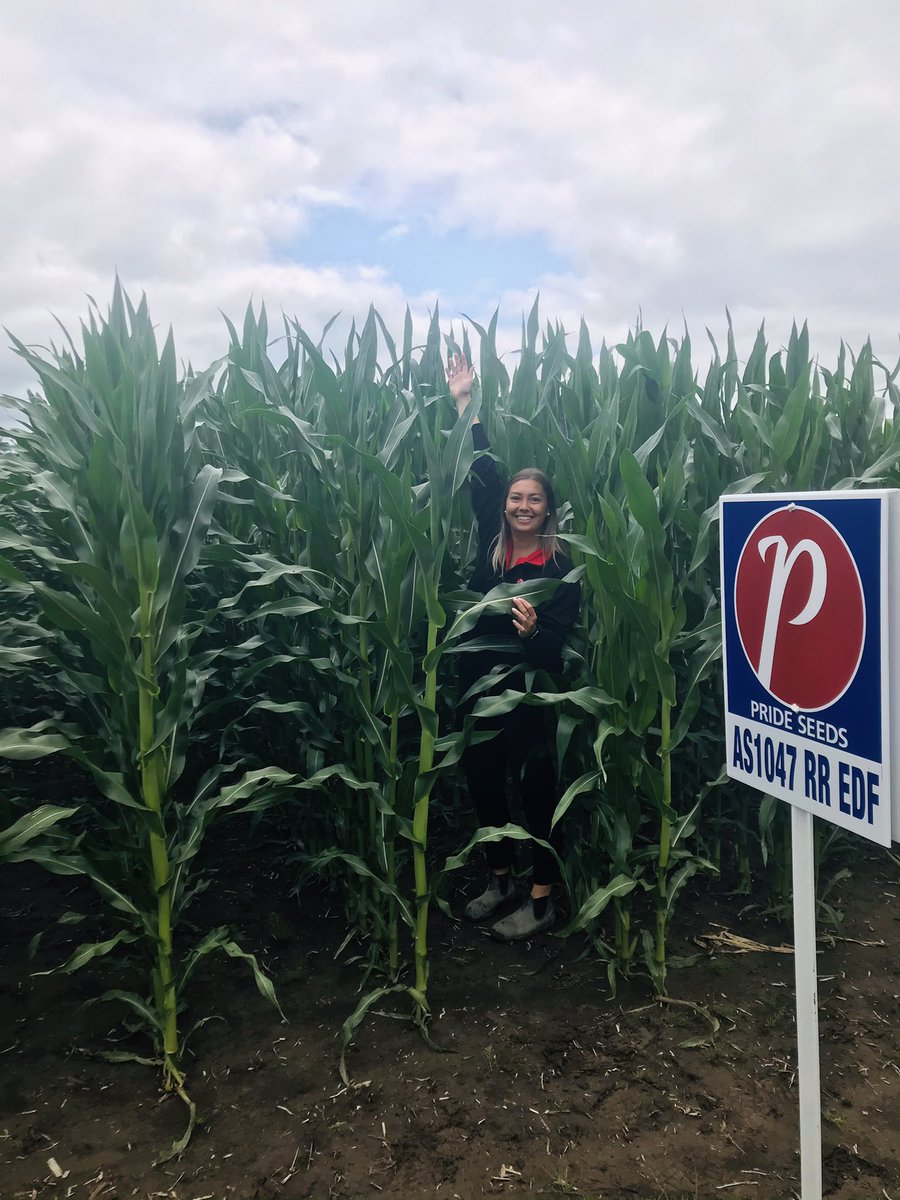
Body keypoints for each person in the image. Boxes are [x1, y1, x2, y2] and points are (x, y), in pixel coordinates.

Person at [447, 351, 581, 940]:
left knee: (536, 794)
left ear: (548, 509)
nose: (522, 506)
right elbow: (481, 467)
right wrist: (465, 404)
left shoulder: (559, 567)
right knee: (482, 784)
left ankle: (541, 896)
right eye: (515, 498)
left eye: (534, 500)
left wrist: (532, 635)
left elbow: (557, 649)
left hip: (530, 697)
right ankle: (499, 878)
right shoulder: (491, 547)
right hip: (478, 691)